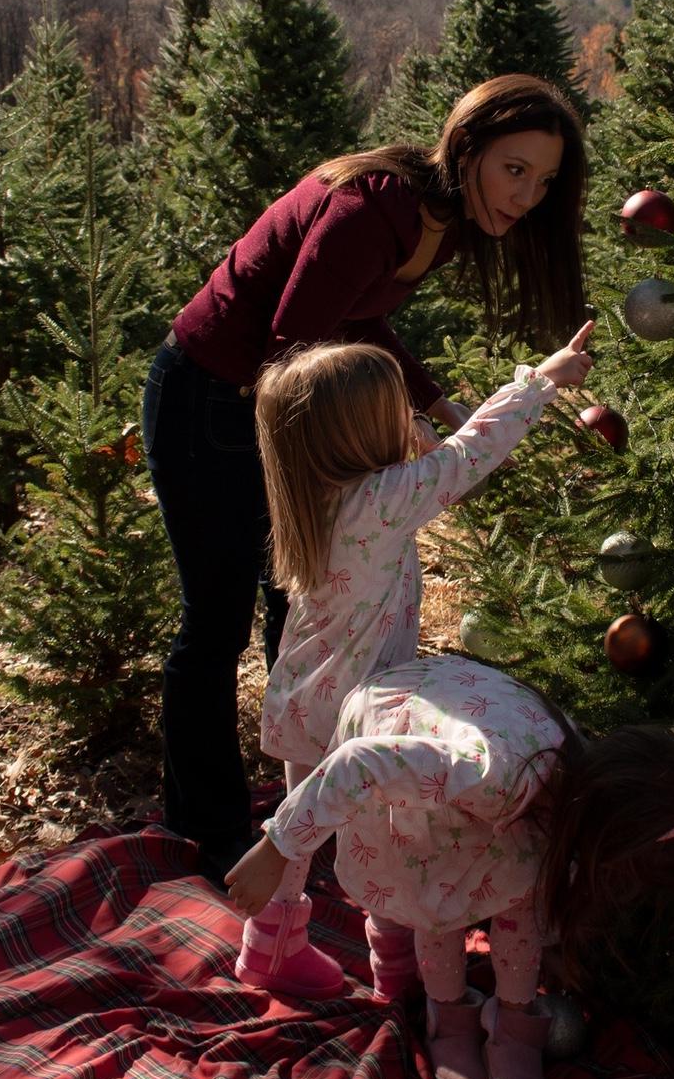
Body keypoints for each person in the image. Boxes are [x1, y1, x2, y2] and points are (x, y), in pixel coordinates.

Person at [141, 75, 587, 879]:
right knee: (215, 621)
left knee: (302, 609)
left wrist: (436, 401)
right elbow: (296, 337)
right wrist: (393, 424)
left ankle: (303, 827)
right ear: (469, 148)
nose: (527, 196)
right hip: (213, 397)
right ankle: (207, 834)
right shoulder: (373, 207)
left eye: (545, 180)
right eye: (514, 169)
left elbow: (357, 313)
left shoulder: (442, 223)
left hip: (283, 406)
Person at [226, 655, 674, 1079]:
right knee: (435, 895)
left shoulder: (578, 792)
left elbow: (533, 895)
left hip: (481, 783)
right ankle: (450, 1019)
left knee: (519, 894)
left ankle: (514, 1034)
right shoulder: (494, 776)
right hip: (395, 723)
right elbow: (359, 763)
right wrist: (278, 846)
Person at [253, 322, 594, 802]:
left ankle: (290, 877)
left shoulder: (316, 496)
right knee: (340, 826)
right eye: (395, 411)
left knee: (298, 830)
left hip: (303, 695)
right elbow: (471, 451)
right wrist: (541, 379)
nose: (409, 418)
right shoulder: (380, 502)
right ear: (358, 433)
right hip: (356, 708)